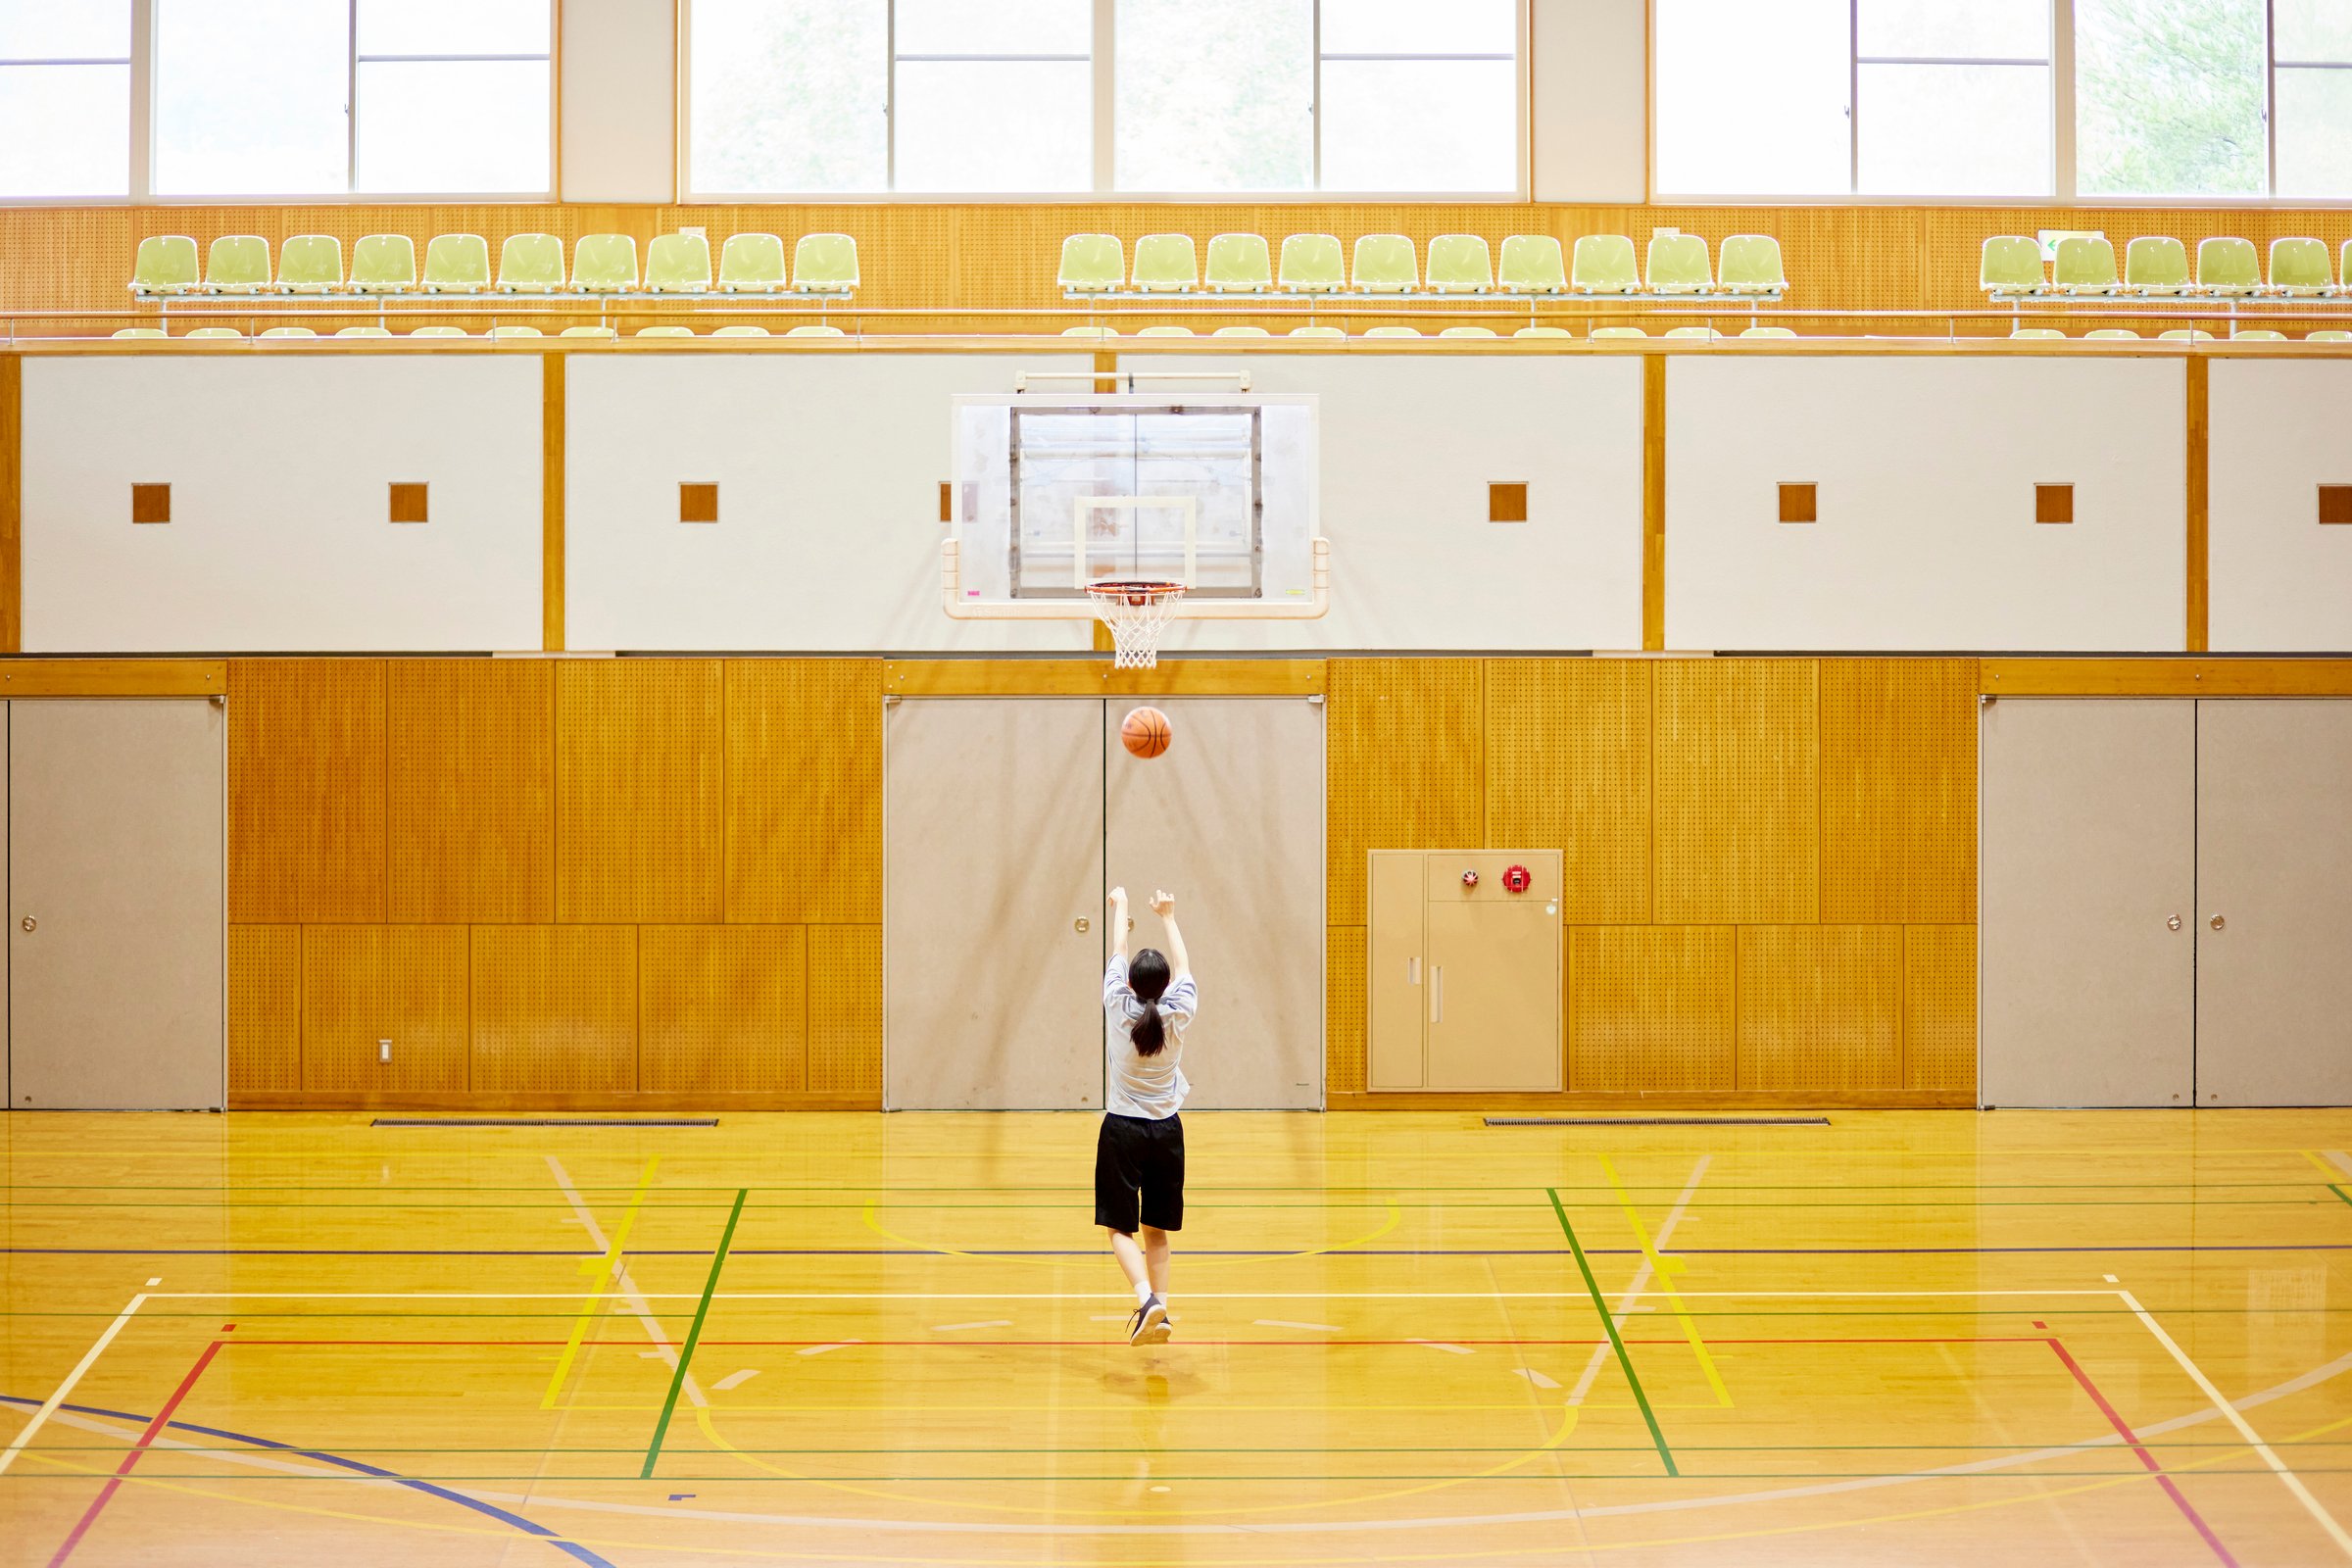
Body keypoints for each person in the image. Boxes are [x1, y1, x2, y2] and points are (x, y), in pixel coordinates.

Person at [1099, 885, 1197, 1346]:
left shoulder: (1118, 1006)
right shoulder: (1178, 1014)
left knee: (1120, 1228)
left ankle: (1147, 1299)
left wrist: (1121, 905)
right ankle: (1164, 1308)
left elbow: (1118, 948)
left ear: (1132, 983)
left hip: (1123, 1130)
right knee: (1157, 1230)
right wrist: (1169, 916)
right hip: (1167, 1133)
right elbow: (1184, 968)